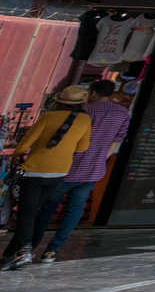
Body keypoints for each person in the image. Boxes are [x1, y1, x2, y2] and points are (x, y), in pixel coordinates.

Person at [33, 81, 131, 264]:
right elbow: (116, 142)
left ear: (93, 93)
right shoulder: (123, 114)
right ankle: (52, 251)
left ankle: (31, 247)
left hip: (67, 166)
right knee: (74, 210)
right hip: (93, 169)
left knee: (48, 207)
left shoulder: (85, 111)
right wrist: (100, 159)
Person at [3, 86, 91, 270]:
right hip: (59, 173)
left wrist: (18, 154)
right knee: (32, 213)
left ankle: (23, 252)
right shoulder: (85, 121)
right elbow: (82, 148)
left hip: (34, 171)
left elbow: (25, 144)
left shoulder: (48, 117)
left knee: (26, 214)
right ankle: (9, 256)